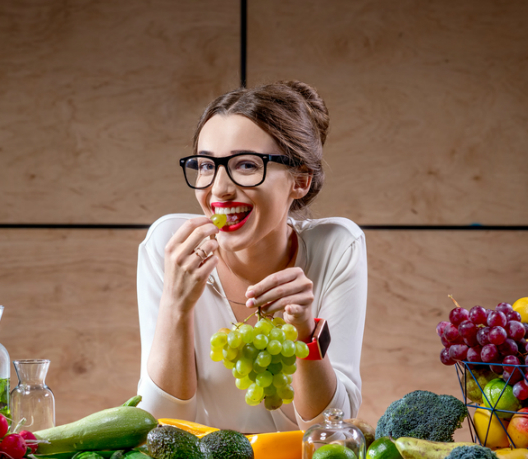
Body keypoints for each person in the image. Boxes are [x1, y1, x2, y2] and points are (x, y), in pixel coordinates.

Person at [136, 81, 367, 432]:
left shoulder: (337, 246)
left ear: (300, 180)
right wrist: (175, 306)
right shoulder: (171, 246)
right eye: (206, 165)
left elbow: (332, 431)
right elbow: (159, 427)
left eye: (246, 165)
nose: (219, 189)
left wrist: (305, 334)